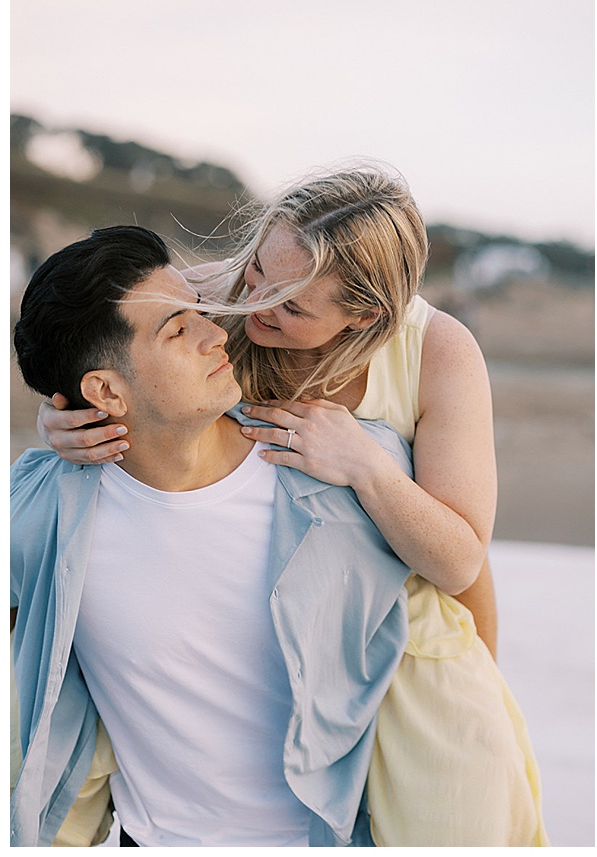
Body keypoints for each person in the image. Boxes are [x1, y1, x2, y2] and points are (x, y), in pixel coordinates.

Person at [34, 168, 548, 847]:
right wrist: (58, 416)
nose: (253, 306)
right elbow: (110, 352)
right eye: (256, 275)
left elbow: (459, 561)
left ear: (363, 316)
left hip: (394, 641)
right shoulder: (224, 294)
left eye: (291, 305)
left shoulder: (438, 352)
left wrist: (364, 464)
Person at [11, 226, 412, 846]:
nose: (215, 333)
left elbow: (459, 611)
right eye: (177, 329)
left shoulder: (342, 471)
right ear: (105, 392)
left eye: (200, 313)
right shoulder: (43, 505)